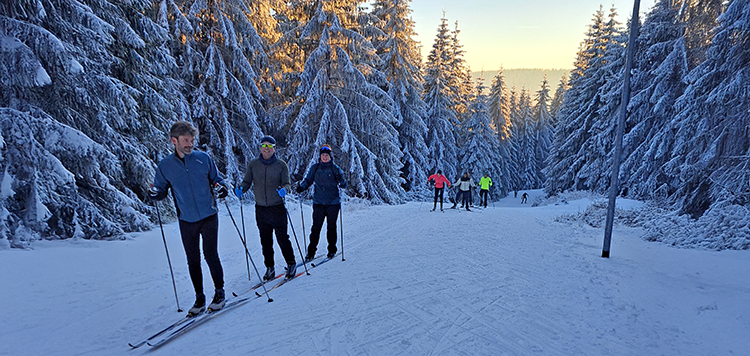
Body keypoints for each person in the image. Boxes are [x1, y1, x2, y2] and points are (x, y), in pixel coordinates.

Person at [150, 121, 228, 316]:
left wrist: (222, 188)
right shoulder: (166, 165)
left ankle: (219, 293)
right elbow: (160, 189)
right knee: (192, 260)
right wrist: (154, 194)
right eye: (186, 140)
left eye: (192, 140)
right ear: (174, 140)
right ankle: (199, 298)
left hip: (209, 215)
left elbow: (217, 179)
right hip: (186, 219)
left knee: (211, 255)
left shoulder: (203, 159)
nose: (190, 144)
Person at [234, 136, 297, 281]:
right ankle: (270, 267)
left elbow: (287, 184)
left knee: (282, 238)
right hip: (261, 208)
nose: (266, 149)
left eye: (269, 146)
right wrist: (241, 189)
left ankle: (291, 263)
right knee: (265, 240)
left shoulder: (281, 165)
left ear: (274, 148)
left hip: (277, 207)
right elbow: (247, 182)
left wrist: (284, 190)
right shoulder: (253, 165)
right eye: (263, 146)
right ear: (260, 148)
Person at [295, 144, 347, 261]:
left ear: (330, 157)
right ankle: (311, 252)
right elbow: (308, 180)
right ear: (320, 156)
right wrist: (301, 187)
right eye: (323, 155)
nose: (324, 157)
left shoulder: (335, 168)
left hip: (333, 203)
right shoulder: (315, 168)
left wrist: (342, 181)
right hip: (318, 202)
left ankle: (332, 250)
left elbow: (343, 183)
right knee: (316, 228)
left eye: (326, 155)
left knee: (331, 227)